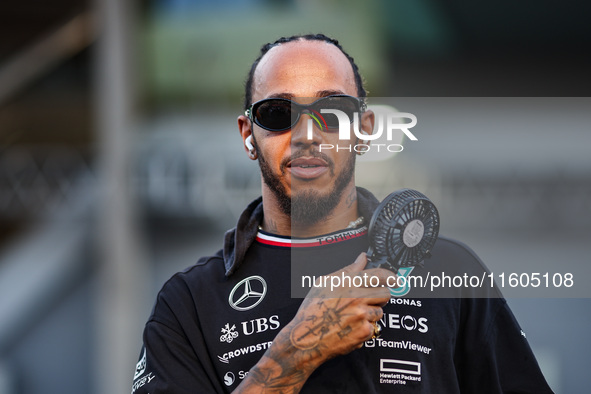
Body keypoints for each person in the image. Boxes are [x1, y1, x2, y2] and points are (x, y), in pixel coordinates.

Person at [131, 34, 553, 393]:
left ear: (364, 130)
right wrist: (295, 351)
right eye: (278, 114)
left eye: (332, 112)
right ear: (249, 135)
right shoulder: (187, 304)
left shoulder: (449, 270)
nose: (307, 135)